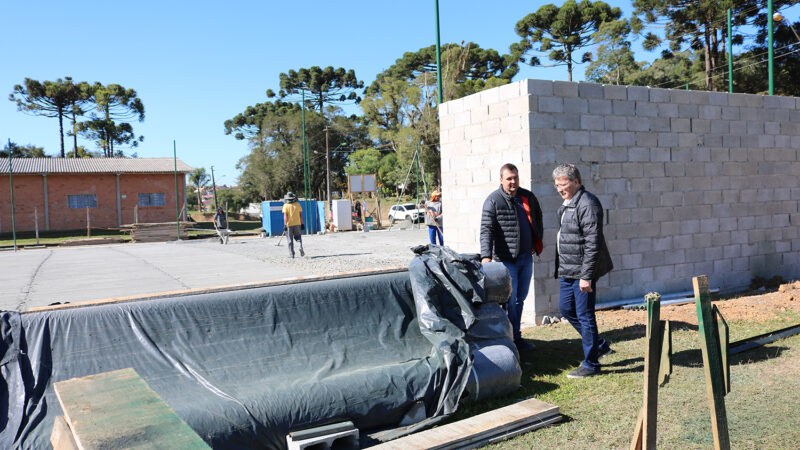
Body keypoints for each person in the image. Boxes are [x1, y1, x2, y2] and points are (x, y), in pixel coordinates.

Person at [553, 163, 614, 378]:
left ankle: (591, 364)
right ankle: (599, 344)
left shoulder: (588, 203)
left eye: (563, 184)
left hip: (581, 272)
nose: (559, 188)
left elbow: (592, 243)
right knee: (566, 309)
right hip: (567, 270)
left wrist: (586, 276)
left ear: (576, 182)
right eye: (556, 185)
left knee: (585, 315)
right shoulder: (567, 203)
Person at [480, 163, 543, 352]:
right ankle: (510, 340)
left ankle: (515, 337)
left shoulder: (527, 196)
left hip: (526, 258)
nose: (513, 181)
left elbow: (537, 219)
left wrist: (536, 242)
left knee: (520, 299)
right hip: (506, 260)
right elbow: (486, 230)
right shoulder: (493, 200)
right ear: (501, 180)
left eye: (515, 177)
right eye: (509, 178)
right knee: (511, 301)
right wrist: (485, 257)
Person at [282, 192, 305, 258]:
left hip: (289, 225)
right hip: (297, 224)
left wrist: (285, 225)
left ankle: (292, 254)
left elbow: (285, 216)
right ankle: (300, 246)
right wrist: (302, 224)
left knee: (290, 239)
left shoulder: (285, 206)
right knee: (298, 237)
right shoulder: (298, 205)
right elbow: (301, 216)